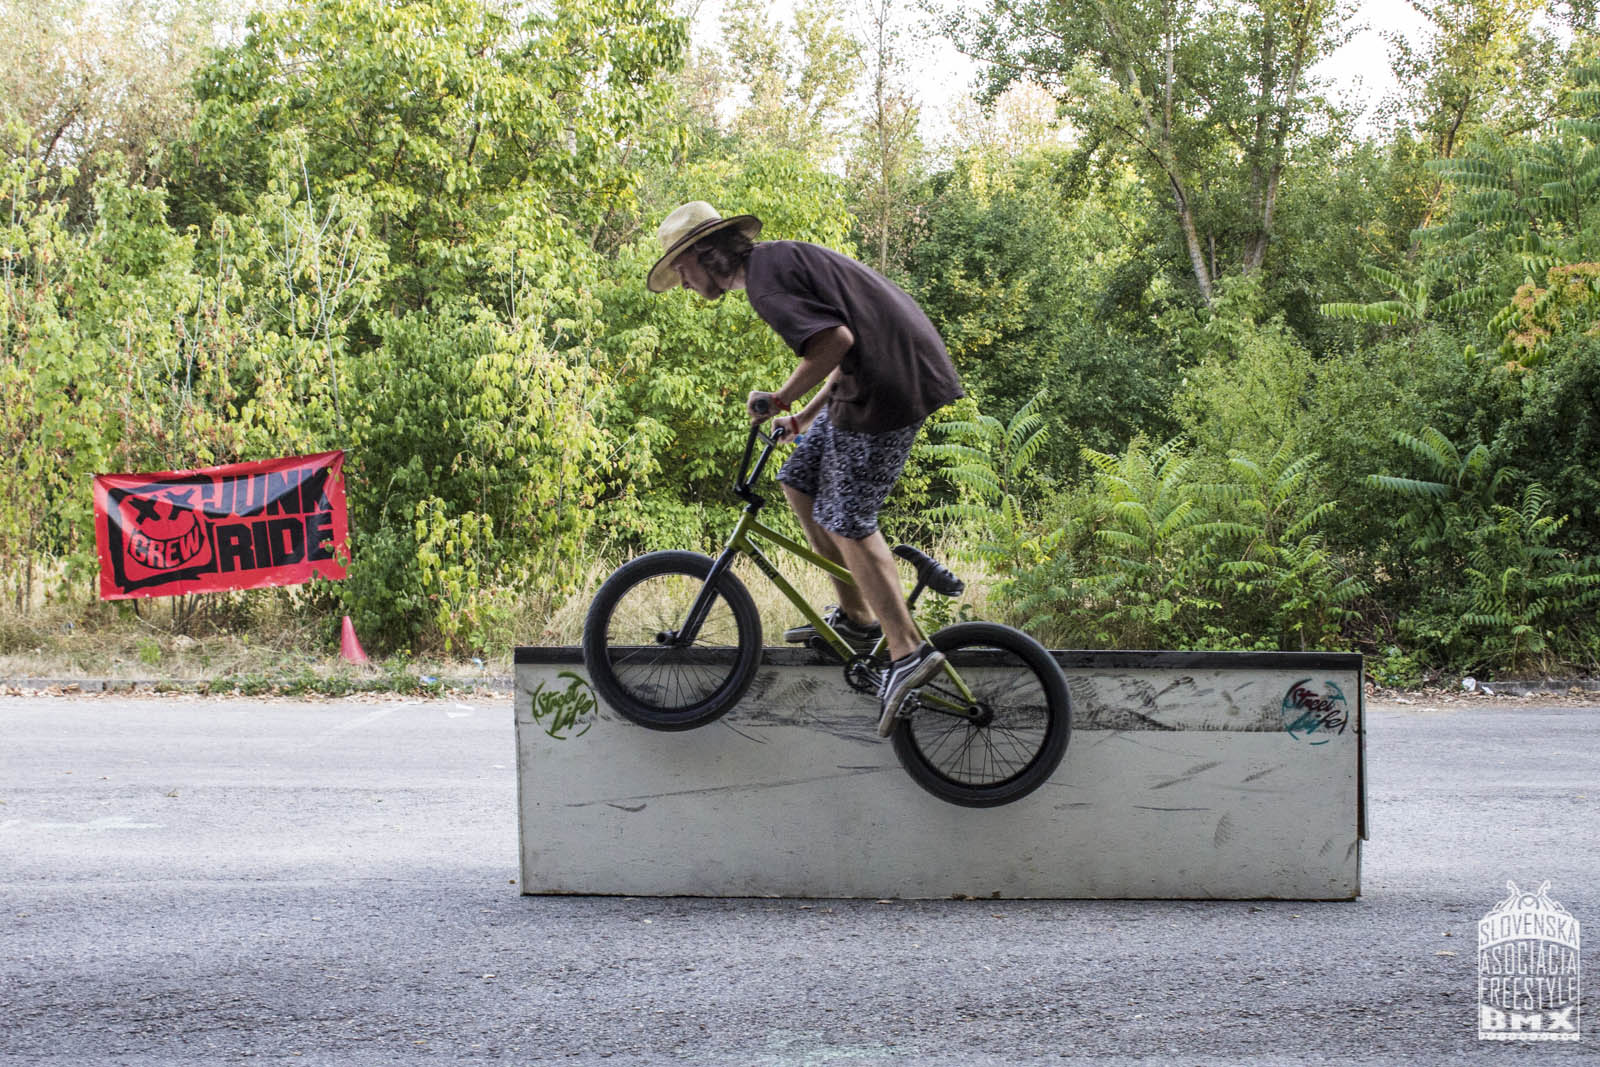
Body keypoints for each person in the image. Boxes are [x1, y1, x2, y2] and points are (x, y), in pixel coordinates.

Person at [647, 201, 965, 737]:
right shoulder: (773, 265)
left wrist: (779, 398)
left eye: (680, 268)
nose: (681, 282)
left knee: (847, 519)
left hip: (893, 384)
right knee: (798, 480)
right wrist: (802, 417)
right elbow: (840, 343)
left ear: (704, 254)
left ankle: (907, 651)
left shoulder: (766, 285)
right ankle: (859, 621)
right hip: (872, 377)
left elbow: (835, 342)